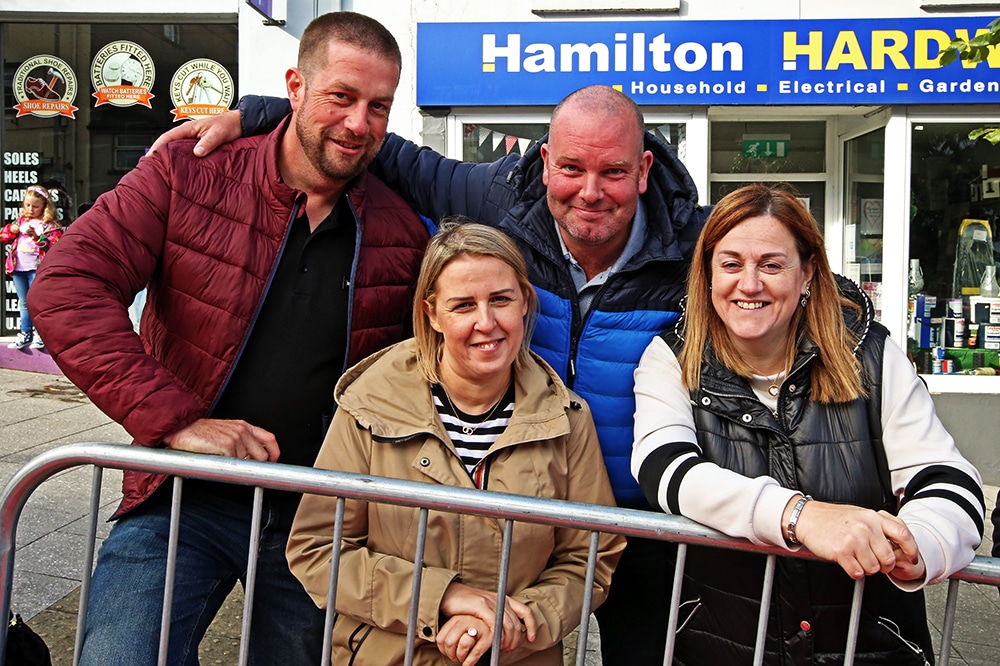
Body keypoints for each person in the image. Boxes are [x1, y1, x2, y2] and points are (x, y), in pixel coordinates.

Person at [153, 83, 707, 664]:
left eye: (613, 172)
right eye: (571, 167)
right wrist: (263, 114)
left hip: (646, 521)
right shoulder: (497, 202)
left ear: (644, 168)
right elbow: (386, 152)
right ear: (545, 161)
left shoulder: (695, 245)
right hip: (518, 508)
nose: (589, 192)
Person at [27, 12, 428, 665]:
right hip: (184, 493)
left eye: (378, 106)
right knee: (117, 656)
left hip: (318, 517)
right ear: (295, 86)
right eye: (341, 97)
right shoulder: (190, 171)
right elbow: (67, 285)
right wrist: (178, 421)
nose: (360, 123)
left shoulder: (402, 230)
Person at [631, 184, 985, 664]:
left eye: (772, 265)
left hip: (870, 645)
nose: (749, 284)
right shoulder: (670, 358)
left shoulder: (871, 355)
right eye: (731, 264)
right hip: (723, 642)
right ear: (708, 274)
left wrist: (916, 543)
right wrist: (802, 517)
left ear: (807, 274)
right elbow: (666, 471)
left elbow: (947, 477)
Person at [286, 221, 624, 666]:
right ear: (432, 314)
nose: (486, 322)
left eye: (501, 300)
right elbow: (318, 550)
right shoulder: (370, 406)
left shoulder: (565, 419)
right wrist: (444, 598)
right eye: (463, 305)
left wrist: (516, 623)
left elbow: (589, 556)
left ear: (525, 301)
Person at [2, 185, 62, 350]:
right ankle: (25, 333)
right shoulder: (20, 221)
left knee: (39, 302)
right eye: (27, 205)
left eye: (35, 206)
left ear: (44, 206)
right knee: (24, 302)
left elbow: (55, 243)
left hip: (38, 269)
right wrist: (11, 229)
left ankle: (41, 334)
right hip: (19, 268)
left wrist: (36, 237)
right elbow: (3, 236)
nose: (30, 209)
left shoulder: (49, 225)